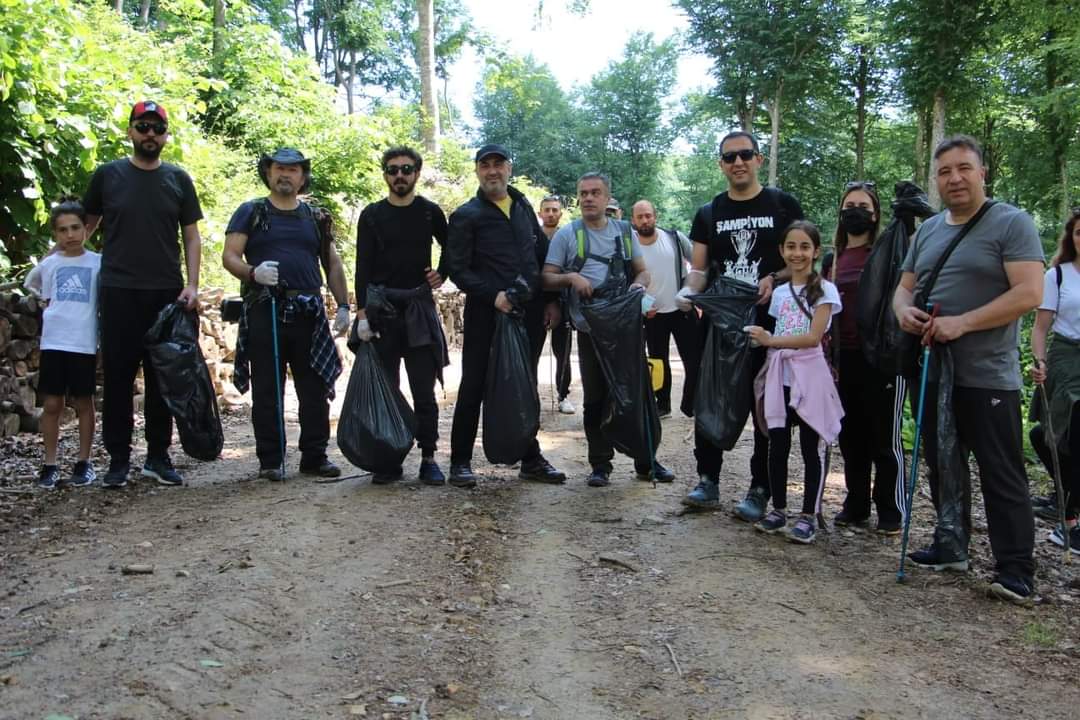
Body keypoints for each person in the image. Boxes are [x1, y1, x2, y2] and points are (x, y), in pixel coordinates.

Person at [893, 135, 1043, 606]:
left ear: (982, 173)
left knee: (1001, 470)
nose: (954, 178)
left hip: (988, 373)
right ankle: (950, 543)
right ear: (936, 181)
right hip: (935, 368)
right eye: (944, 172)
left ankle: (1016, 568)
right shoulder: (929, 230)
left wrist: (963, 323)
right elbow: (904, 288)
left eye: (964, 168)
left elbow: (1029, 293)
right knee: (942, 460)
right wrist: (903, 312)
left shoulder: (1012, 223)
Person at [677, 131, 804, 515]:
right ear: (720, 164)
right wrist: (687, 293)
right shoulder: (709, 213)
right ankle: (707, 480)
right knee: (710, 397)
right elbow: (699, 270)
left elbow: (803, 259)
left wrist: (775, 278)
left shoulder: (782, 205)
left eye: (744, 155)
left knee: (765, 404)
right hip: (721, 324)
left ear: (758, 159)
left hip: (771, 323)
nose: (737, 162)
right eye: (729, 157)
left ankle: (760, 488)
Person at [83, 100, 203, 489]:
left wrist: (193, 283)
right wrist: (56, 265)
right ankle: (118, 460)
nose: (150, 134)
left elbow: (191, 235)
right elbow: (84, 227)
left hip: (165, 293)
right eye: (143, 126)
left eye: (157, 128)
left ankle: (158, 457)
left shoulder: (178, 179)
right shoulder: (107, 175)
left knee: (161, 379)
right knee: (117, 378)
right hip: (118, 290)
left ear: (166, 135)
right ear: (131, 131)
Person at [222, 148, 351, 482]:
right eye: (279, 168)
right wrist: (253, 273)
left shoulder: (316, 217)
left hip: (309, 309)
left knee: (315, 387)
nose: (285, 175)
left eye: (293, 170)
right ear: (268, 172)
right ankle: (270, 459)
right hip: (267, 307)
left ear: (302, 177)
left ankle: (315, 456)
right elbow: (230, 256)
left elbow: (332, 263)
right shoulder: (251, 212)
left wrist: (345, 305)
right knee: (268, 388)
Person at [444, 143, 565, 488]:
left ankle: (530, 459)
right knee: (474, 385)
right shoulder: (467, 215)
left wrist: (552, 299)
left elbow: (540, 254)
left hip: (528, 312)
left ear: (509, 168)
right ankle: (460, 461)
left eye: (499, 164)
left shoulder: (524, 206)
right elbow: (457, 268)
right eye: (486, 165)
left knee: (523, 384)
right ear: (478, 171)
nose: (493, 171)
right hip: (487, 314)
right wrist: (492, 295)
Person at [542, 172, 675, 487]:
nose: (588, 198)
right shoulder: (567, 235)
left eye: (595, 193)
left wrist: (638, 287)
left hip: (626, 330)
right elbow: (546, 277)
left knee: (637, 394)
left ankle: (646, 461)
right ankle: (600, 464)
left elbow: (642, 273)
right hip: (590, 331)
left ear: (607, 198)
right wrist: (570, 278)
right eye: (583, 193)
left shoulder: (626, 232)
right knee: (595, 398)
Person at [354, 146, 449, 485]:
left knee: (423, 389)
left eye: (406, 169)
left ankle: (428, 458)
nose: (399, 175)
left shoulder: (429, 212)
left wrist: (443, 273)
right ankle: (389, 457)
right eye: (393, 169)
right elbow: (362, 266)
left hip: (418, 309)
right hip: (381, 311)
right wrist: (362, 314)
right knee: (387, 387)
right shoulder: (372, 215)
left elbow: (452, 246)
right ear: (385, 174)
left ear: (416, 173)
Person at [747, 221, 843, 543]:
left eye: (805, 247)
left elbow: (814, 337)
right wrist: (770, 342)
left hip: (810, 375)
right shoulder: (780, 293)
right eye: (791, 247)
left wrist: (770, 340)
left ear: (816, 251)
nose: (797, 253)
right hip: (781, 375)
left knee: (809, 448)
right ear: (782, 251)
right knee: (778, 445)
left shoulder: (826, 290)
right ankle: (779, 509)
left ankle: (808, 515)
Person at [826, 182, 906, 534]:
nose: (855, 211)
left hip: (881, 357)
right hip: (844, 360)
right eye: (849, 205)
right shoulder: (831, 260)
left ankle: (890, 508)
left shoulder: (885, 255)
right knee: (851, 436)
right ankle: (856, 503)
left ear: (875, 215)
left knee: (883, 438)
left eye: (863, 205)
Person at [23, 198, 101, 489]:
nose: (69, 235)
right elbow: (32, 284)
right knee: (53, 403)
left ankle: (84, 461)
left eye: (75, 228)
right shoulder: (50, 264)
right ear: (55, 234)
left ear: (86, 229)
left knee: (83, 402)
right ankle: (50, 463)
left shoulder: (97, 263)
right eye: (62, 230)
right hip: (54, 341)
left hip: (82, 342)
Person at [1029, 209, 1080, 556]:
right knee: (1052, 435)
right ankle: (1069, 517)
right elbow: (1040, 328)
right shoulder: (1057, 276)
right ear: (1071, 237)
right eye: (1079, 232)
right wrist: (1040, 361)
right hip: (1064, 359)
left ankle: (1068, 516)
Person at [631, 199, 699, 419]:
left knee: (694, 359)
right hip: (652, 314)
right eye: (640, 216)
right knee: (658, 361)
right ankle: (663, 404)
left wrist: (689, 290)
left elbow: (699, 264)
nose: (644, 220)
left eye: (648, 215)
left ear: (655, 215)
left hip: (682, 309)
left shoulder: (675, 238)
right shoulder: (630, 245)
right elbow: (626, 279)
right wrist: (641, 306)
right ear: (633, 220)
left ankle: (692, 404)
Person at [539, 194, 575, 414]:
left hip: (563, 302)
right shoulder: (532, 236)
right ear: (540, 213)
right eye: (547, 209)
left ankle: (564, 395)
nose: (551, 213)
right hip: (535, 302)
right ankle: (529, 395)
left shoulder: (568, 236)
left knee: (563, 352)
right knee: (530, 352)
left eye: (555, 210)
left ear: (560, 213)